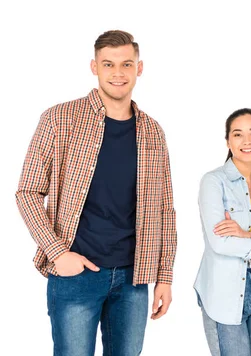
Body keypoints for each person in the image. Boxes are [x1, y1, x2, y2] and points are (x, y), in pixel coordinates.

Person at [15, 30, 177, 355]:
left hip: (133, 278)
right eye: (108, 64)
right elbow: (28, 192)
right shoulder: (60, 119)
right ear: (94, 67)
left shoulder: (152, 131)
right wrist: (58, 253)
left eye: (126, 64)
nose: (118, 73)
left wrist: (165, 276)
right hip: (76, 276)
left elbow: (165, 210)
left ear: (139, 68)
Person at [194, 108, 251, 356]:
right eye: (238, 134)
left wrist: (246, 236)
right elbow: (221, 243)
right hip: (225, 290)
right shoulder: (213, 182)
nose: (247, 141)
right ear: (228, 141)